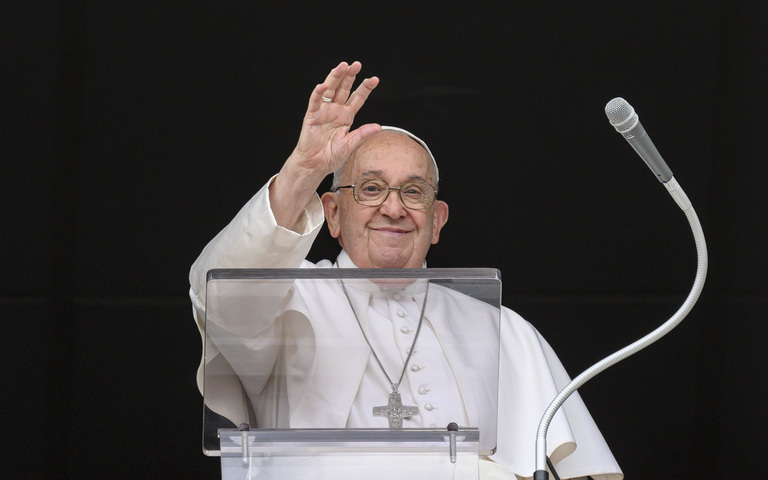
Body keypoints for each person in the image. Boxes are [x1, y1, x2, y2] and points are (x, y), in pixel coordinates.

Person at [189, 61, 623, 480]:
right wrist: (302, 171)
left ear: (437, 221)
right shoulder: (283, 298)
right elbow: (220, 298)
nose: (393, 208)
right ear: (334, 214)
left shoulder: (504, 331)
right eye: (371, 188)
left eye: (414, 192)